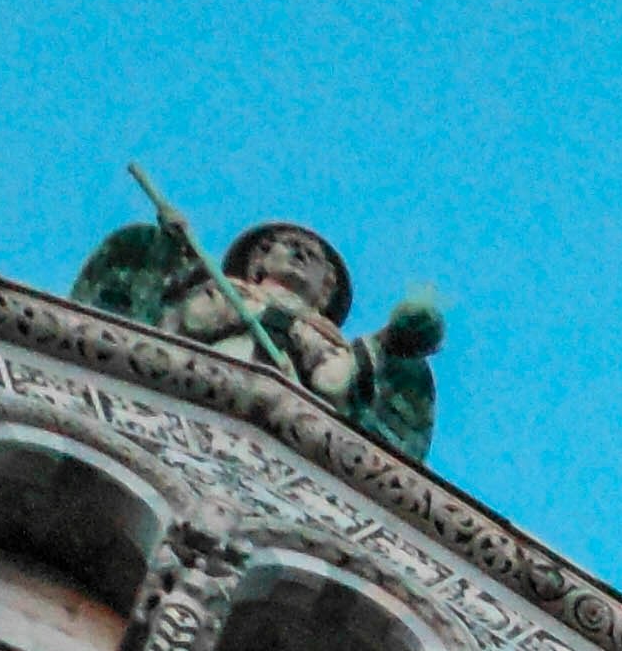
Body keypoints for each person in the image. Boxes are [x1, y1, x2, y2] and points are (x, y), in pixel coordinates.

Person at [73, 179, 446, 464]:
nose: (300, 254)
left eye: (313, 256)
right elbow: (195, 322)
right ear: (259, 262)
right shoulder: (225, 290)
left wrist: (393, 337)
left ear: (326, 288)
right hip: (205, 387)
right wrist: (182, 260)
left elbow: (331, 384)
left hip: (288, 426)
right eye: (289, 246)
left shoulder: (334, 341)